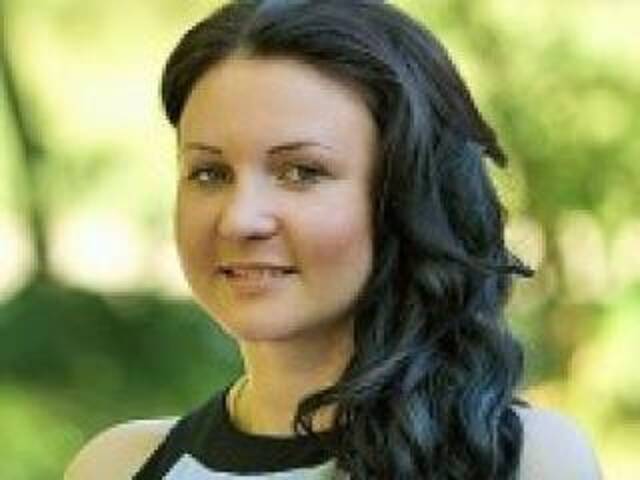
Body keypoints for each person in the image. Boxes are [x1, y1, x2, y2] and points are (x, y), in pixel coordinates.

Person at [65, 1, 602, 478]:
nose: (239, 220)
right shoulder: (117, 467)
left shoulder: (525, 459)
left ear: (403, 196)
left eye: (301, 172)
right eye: (210, 173)